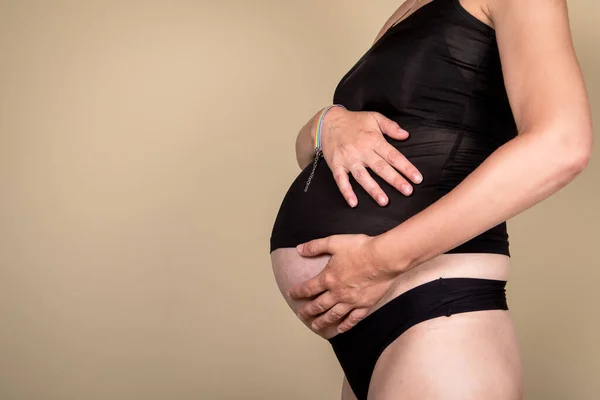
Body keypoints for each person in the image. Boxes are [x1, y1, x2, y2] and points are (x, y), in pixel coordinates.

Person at [269, 0, 593, 398]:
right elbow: (328, 161)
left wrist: (379, 261)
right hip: (374, 327)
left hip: (437, 309)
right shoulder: (411, 8)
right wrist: (324, 124)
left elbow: (561, 145)